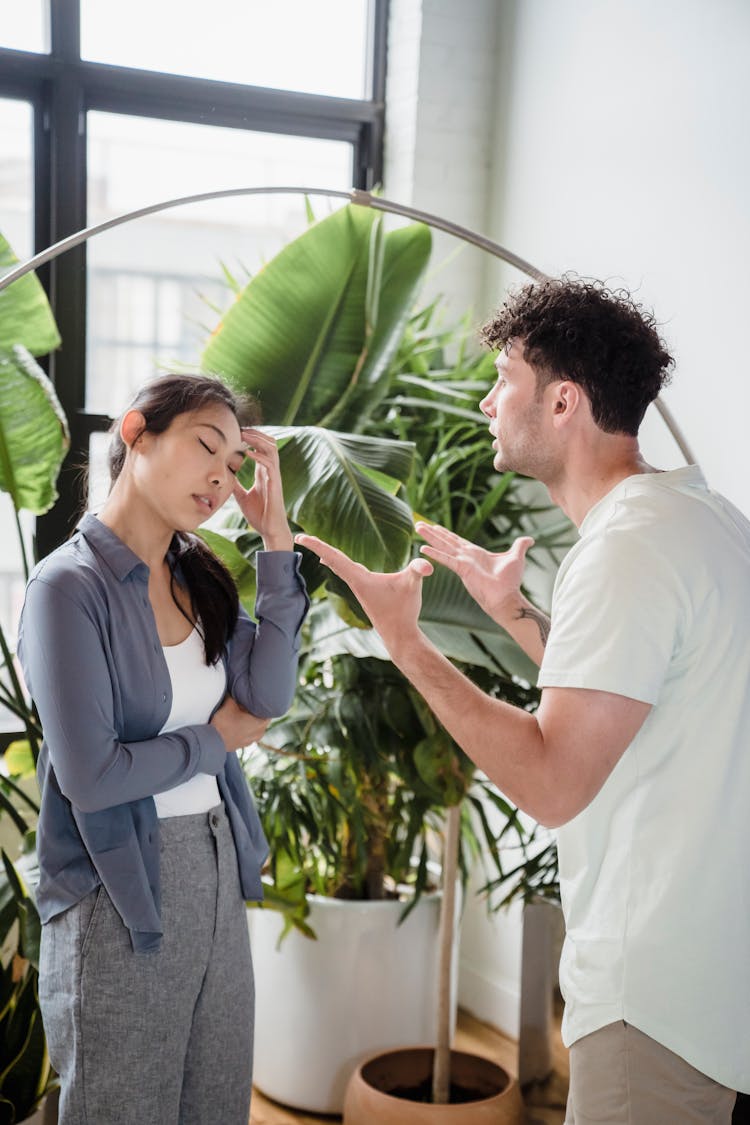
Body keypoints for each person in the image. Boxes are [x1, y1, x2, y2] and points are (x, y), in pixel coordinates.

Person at [296, 276, 750, 1124]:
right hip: (712, 981)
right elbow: (637, 700)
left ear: (565, 401)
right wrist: (516, 613)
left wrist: (406, 642)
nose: (486, 399)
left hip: (649, 998)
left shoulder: (626, 552)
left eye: (505, 377)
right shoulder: (704, 520)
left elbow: (551, 780)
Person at [18, 372, 309, 1125]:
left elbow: (269, 695)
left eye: (235, 466)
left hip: (215, 870)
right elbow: (94, 775)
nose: (220, 477)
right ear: (136, 433)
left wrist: (276, 544)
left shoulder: (200, 577)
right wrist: (213, 742)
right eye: (206, 448)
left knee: (214, 1105)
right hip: (118, 892)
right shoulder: (65, 587)